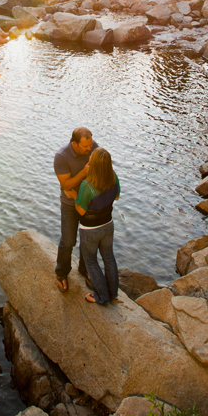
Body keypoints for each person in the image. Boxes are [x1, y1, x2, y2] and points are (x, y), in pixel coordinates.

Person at [53, 126, 98, 292]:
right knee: (68, 240)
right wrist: (84, 172)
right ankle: (61, 273)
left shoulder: (94, 147)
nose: (89, 149)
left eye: (90, 145)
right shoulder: (61, 157)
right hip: (70, 204)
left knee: (89, 240)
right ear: (74, 144)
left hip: (89, 202)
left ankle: (85, 270)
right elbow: (66, 185)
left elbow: (101, 170)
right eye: (85, 146)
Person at [74, 148, 121, 306]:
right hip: (108, 225)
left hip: (90, 230)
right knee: (109, 258)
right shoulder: (113, 177)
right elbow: (117, 196)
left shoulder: (86, 186)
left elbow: (80, 210)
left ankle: (101, 296)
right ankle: (113, 293)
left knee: (91, 262)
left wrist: (73, 196)